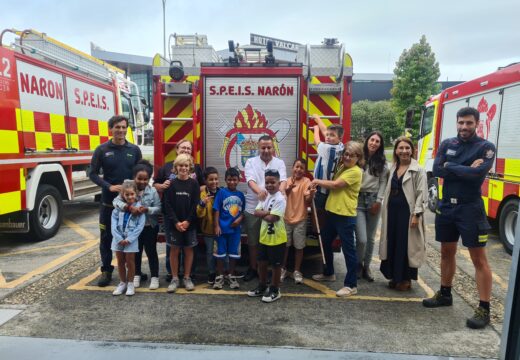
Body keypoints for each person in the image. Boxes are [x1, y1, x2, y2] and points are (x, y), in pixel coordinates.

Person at [423, 107, 496, 329]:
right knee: (446, 251)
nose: (464, 127)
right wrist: (462, 168)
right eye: (461, 123)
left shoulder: (485, 147)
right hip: (447, 207)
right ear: (456, 123)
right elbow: (437, 170)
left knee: (478, 259)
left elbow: (476, 175)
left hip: (470, 208)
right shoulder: (447, 144)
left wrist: (451, 166)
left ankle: (484, 308)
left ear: (477, 124)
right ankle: (445, 294)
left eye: (469, 123)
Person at [89, 115, 142, 287]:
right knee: (106, 238)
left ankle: (136, 271)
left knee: (132, 238)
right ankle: (106, 270)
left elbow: (140, 174)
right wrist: (108, 186)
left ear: (127, 129)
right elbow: (92, 173)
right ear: (110, 129)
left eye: (123, 127)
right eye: (117, 127)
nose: (120, 130)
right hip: (108, 205)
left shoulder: (134, 150)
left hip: (130, 205)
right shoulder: (102, 150)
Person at [311, 141, 363, 298]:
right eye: (346, 154)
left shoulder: (355, 171)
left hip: (345, 215)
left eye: (351, 155)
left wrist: (316, 181)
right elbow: (325, 143)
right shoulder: (343, 166)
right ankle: (329, 273)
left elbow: (335, 184)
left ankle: (351, 285)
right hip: (333, 212)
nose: (347, 157)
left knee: (349, 251)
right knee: (325, 241)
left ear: (358, 157)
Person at [379, 136, 427, 291]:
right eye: (401, 148)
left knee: (406, 245)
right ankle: (394, 276)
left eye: (407, 148)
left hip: (407, 213)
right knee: (392, 242)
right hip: (392, 213)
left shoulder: (418, 170)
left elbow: (422, 194)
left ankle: (405, 278)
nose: (404, 151)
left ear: (412, 150)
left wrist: (416, 215)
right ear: (396, 151)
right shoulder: (393, 167)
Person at [153, 139, 204, 282]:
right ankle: (172, 274)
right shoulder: (166, 167)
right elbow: (155, 183)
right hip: (172, 216)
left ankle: (189, 274)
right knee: (173, 247)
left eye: (189, 148)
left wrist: (192, 188)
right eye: (183, 148)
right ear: (177, 149)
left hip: (189, 214)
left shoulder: (197, 169)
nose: (186, 150)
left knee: (190, 247)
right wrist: (162, 186)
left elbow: (203, 186)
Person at [243, 135, 287, 281]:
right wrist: (260, 192)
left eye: (269, 147)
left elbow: (283, 181)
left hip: (273, 209)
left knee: (271, 242)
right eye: (263, 147)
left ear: (273, 148)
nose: (266, 150)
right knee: (253, 241)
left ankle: (268, 270)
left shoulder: (279, 163)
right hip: (253, 208)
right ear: (258, 148)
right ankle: (253, 268)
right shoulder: (250, 161)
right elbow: (250, 180)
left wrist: (282, 192)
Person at [113, 160, 162, 290]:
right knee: (136, 252)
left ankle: (155, 277)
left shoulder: (153, 192)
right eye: (139, 178)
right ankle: (136, 275)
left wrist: (147, 209)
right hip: (132, 229)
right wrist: (127, 207)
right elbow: (115, 201)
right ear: (134, 177)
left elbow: (158, 208)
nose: (143, 181)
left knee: (151, 251)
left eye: (146, 179)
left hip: (149, 227)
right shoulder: (128, 188)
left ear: (150, 179)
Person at [248, 169, 287, 303]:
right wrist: (268, 212)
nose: (269, 185)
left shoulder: (280, 198)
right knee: (262, 263)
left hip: (277, 239)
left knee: (276, 266)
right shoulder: (266, 196)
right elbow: (256, 212)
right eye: (267, 182)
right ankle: (262, 285)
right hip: (264, 237)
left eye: (273, 182)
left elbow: (273, 218)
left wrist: (265, 213)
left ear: (278, 182)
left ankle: (275, 290)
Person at [356, 131, 389, 282]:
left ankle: (366, 267)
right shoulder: (358, 157)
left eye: (377, 141)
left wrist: (379, 201)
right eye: (372, 140)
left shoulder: (382, 161)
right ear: (367, 140)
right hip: (357, 200)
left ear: (380, 144)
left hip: (374, 199)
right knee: (361, 239)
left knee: (370, 238)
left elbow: (383, 182)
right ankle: (357, 265)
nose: (374, 143)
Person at [164, 154, 200, 293]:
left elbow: (195, 204)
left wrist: (187, 221)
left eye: (186, 166)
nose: (183, 168)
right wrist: (176, 222)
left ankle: (186, 277)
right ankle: (174, 278)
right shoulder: (171, 184)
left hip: (189, 224)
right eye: (180, 166)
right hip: (174, 225)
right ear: (175, 168)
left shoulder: (194, 184)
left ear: (190, 167)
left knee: (188, 250)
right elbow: (167, 205)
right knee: (174, 250)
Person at [281, 159, 314, 284]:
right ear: (292, 167)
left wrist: (311, 194)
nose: (298, 170)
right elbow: (283, 194)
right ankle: (282, 269)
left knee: (299, 247)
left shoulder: (307, 181)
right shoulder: (286, 181)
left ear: (304, 171)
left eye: (301, 168)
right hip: (286, 218)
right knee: (285, 246)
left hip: (300, 219)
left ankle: (297, 270)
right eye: (297, 167)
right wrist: (289, 188)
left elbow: (307, 200)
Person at [111, 181, 146, 296]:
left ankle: (130, 284)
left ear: (136, 194)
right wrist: (118, 238)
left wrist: (129, 239)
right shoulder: (117, 209)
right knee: (120, 262)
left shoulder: (139, 209)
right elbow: (113, 225)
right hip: (118, 240)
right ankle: (122, 283)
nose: (130, 197)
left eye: (132, 194)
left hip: (131, 240)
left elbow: (140, 227)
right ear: (123, 195)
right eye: (127, 195)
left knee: (130, 262)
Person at [213, 168, 246, 290]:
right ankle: (220, 276)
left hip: (235, 232)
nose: (232, 182)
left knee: (233, 254)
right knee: (220, 254)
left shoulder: (241, 195)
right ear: (225, 180)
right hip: (222, 230)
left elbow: (243, 212)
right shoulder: (221, 193)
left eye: (234, 180)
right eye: (229, 180)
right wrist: (216, 226)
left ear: (239, 180)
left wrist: (240, 218)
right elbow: (216, 210)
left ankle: (231, 275)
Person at [311, 114, 345, 213]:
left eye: (332, 135)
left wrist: (316, 129)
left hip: (322, 190)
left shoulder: (328, 148)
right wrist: (318, 120)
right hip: (329, 188)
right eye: (328, 135)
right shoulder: (340, 146)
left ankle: (319, 228)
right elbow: (325, 131)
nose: (328, 137)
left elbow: (316, 141)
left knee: (318, 212)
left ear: (339, 138)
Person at [196, 167, 221, 285]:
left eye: (216, 179)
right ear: (205, 181)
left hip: (221, 229)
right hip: (208, 230)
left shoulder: (222, 192)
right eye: (211, 179)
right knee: (210, 252)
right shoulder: (202, 194)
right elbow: (199, 214)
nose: (214, 182)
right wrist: (202, 204)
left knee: (221, 252)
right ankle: (211, 273)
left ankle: (221, 273)